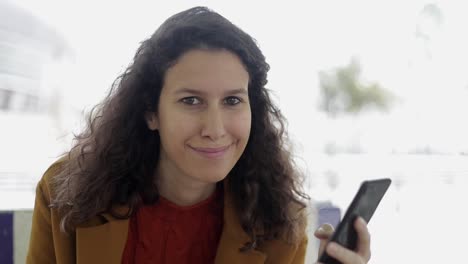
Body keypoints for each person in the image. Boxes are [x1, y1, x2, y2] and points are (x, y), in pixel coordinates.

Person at [26, 6, 371, 264]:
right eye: (191, 100)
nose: (215, 129)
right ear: (151, 112)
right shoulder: (65, 194)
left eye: (233, 100)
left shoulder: (278, 222)